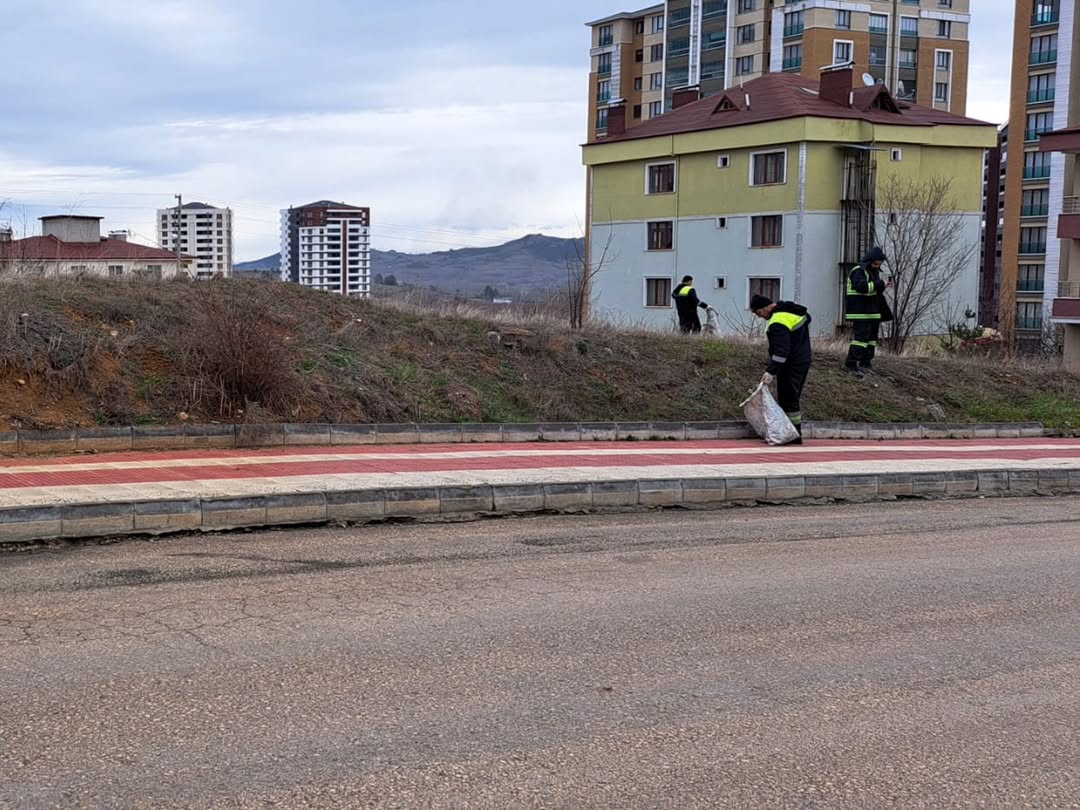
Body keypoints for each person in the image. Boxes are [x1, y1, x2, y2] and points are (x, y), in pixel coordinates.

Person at [751, 293, 812, 444]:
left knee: (788, 398)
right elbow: (808, 319)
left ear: (766, 307)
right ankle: (791, 432)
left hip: (790, 364)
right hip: (803, 360)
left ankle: (793, 435)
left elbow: (781, 351)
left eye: (759, 313)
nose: (760, 317)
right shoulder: (792, 312)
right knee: (793, 397)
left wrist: (771, 371)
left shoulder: (778, 321)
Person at [844, 246, 891, 377]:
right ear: (870, 261)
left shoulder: (872, 271)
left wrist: (883, 286)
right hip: (861, 312)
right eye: (876, 263)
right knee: (860, 339)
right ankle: (851, 364)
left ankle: (866, 363)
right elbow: (862, 287)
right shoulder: (858, 271)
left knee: (871, 340)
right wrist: (880, 284)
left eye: (879, 264)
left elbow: (873, 290)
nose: (877, 266)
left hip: (872, 311)